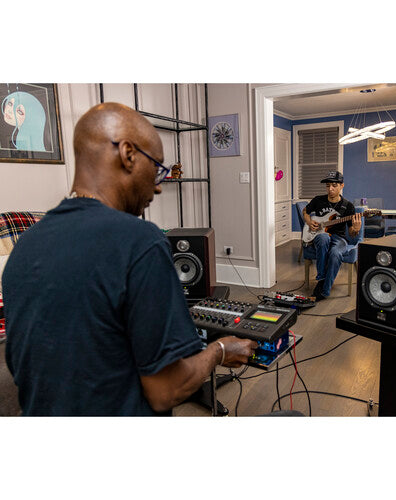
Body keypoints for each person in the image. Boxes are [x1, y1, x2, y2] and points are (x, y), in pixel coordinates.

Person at [2, 102, 257, 416]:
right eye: (158, 167)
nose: (160, 186)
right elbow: (167, 391)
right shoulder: (141, 241)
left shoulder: (25, 246)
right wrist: (219, 350)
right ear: (128, 154)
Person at [302, 171, 362, 302]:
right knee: (324, 238)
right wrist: (308, 221)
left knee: (335, 253)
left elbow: (351, 232)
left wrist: (356, 230)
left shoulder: (348, 206)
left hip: (339, 238)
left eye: (334, 185)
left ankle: (323, 290)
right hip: (319, 235)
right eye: (328, 186)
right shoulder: (318, 200)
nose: (330, 189)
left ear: (342, 186)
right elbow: (305, 211)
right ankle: (321, 278)